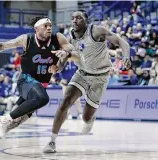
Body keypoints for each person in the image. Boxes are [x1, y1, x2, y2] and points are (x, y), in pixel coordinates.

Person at [0, 16, 80, 155]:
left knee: (11, 124)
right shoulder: (27, 39)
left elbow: (76, 54)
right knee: (42, 99)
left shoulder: (58, 38)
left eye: (50, 25)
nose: (49, 27)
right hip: (26, 81)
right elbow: (2, 46)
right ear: (37, 28)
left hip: (38, 88)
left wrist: (65, 56)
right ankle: (3, 119)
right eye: (45, 25)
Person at [43, 10, 131, 153]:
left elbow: (122, 42)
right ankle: (52, 142)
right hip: (82, 73)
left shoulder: (96, 31)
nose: (75, 20)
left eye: (78, 17)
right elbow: (61, 65)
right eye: (72, 18)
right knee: (65, 102)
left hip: (100, 76)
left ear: (86, 20)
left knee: (86, 117)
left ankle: (90, 118)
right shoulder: (69, 39)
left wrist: (126, 57)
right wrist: (55, 68)